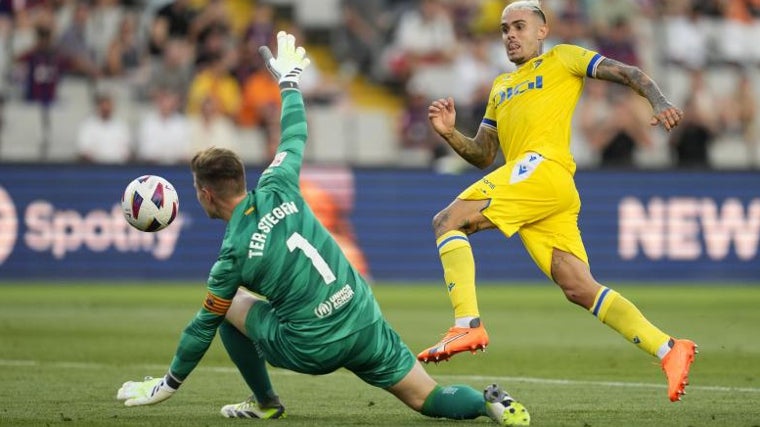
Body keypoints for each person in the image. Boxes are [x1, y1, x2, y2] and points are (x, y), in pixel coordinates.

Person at [116, 31, 530, 427]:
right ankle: (487, 402)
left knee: (228, 310)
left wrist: (168, 384)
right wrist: (290, 83)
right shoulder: (277, 182)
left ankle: (265, 404)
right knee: (425, 397)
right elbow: (295, 132)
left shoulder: (232, 254)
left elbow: (200, 327)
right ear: (241, 179)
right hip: (361, 314)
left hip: (312, 346)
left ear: (206, 195)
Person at [417, 1, 697, 403]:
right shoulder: (500, 87)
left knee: (448, 221)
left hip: (544, 170)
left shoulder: (564, 58)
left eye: (519, 27)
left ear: (542, 31)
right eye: (504, 29)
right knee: (578, 286)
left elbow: (629, 73)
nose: (510, 35)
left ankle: (467, 322)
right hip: (538, 188)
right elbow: (483, 154)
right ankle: (669, 348)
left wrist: (660, 102)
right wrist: (449, 133)